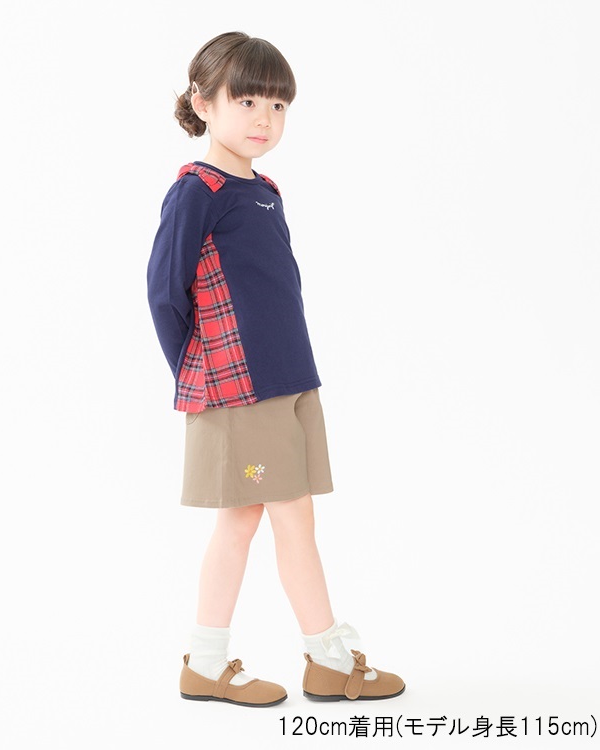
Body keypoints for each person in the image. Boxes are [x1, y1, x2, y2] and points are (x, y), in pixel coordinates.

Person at [147, 31, 405, 707]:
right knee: (287, 515)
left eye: (278, 104)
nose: (264, 117)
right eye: (247, 100)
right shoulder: (197, 191)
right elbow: (165, 293)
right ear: (203, 101)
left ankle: (211, 662)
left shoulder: (264, 190)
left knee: (252, 519)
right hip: (243, 393)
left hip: (289, 383)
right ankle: (327, 658)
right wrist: (201, 373)